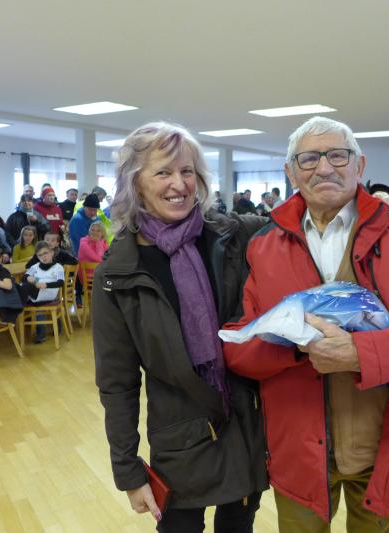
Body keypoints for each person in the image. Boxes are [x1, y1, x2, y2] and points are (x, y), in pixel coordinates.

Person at [222, 116, 389, 532]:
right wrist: (296, 346)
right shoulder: (262, 245)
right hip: (298, 447)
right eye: (308, 159)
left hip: (388, 445)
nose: (324, 168)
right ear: (290, 172)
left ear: (360, 164)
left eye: (338, 155)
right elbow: (237, 346)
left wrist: (360, 353)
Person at [93, 122, 268, 531]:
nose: (179, 184)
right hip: (179, 441)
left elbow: (296, 221)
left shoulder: (230, 236)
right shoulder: (117, 275)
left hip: (244, 427)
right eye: (163, 172)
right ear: (135, 183)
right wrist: (129, 471)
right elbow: (117, 383)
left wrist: (378, 205)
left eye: (187, 171)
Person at [19, 241, 66, 343]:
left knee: (24, 287)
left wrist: (46, 285)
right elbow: (24, 277)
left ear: (52, 253)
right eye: (40, 255)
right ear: (37, 256)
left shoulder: (58, 267)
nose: (43, 257)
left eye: (45, 253)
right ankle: (40, 332)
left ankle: (18, 309)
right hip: (36, 292)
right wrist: (28, 277)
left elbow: (60, 282)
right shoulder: (35, 266)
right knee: (20, 285)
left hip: (49, 293)